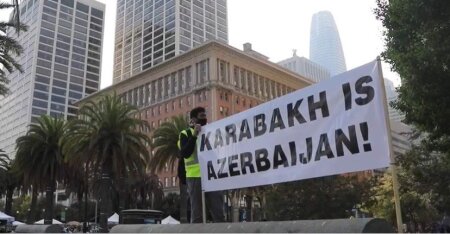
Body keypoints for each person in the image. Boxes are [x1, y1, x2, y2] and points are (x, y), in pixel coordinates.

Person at [178, 107, 225, 223]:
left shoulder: (210, 132)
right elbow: (185, 153)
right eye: (201, 116)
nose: (205, 118)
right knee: (197, 214)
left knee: (218, 212)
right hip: (195, 177)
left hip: (212, 175)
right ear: (194, 119)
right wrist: (194, 135)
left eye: (205, 116)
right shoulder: (185, 134)